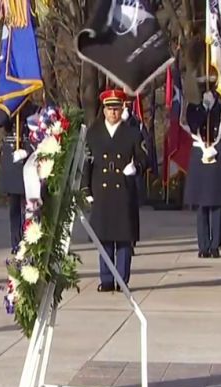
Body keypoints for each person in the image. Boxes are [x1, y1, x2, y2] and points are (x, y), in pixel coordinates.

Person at [82, 89, 147, 292]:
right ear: (104, 109)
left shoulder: (132, 133)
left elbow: (145, 157)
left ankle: (122, 279)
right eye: (110, 109)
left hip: (124, 190)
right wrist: (85, 189)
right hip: (101, 189)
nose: (113, 113)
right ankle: (106, 278)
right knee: (105, 237)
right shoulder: (93, 132)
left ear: (122, 109)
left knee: (124, 238)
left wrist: (136, 166)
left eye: (117, 108)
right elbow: (86, 163)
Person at [183, 75, 221, 258]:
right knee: (201, 206)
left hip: (216, 157)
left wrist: (218, 150)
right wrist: (204, 109)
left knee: (216, 205)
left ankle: (215, 245)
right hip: (200, 157)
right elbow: (193, 125)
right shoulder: (193, 109)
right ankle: (203, 245)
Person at [0, 102, 39, 251]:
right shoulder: (9, 108)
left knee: (30, 205)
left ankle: (30, 239)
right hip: (12, 160)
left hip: (27, 157)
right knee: (14, 206)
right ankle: (16, 242)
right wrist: (9, 107)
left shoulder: (34, 109)